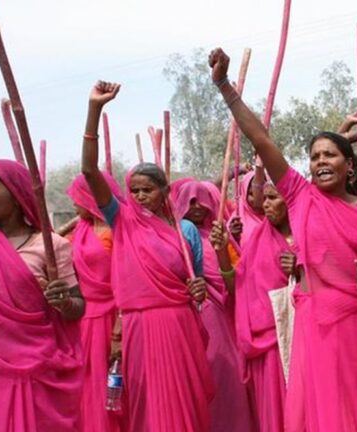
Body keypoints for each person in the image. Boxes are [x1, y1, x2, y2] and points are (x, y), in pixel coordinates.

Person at [210, 47, 357, 431]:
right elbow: (262, 141)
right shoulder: (299, 196)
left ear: (350, 165)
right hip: (314, 323)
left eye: (331, 155)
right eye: (315, 156)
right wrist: (224, 86)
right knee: (320, 413)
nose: (321, 162)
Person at [81, 81, 214, 432]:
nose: (140, 196)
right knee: (146, 404)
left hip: (179, 325)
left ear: (164, 192)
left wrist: (197, 290)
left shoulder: (182, 234)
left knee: (187, 401)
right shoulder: (121, 220)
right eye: (134, 190)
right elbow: (90, 172)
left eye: (148, 189)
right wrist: (95, 110)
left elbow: (194, 286)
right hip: (139, 327)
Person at [0, 159, 84, 431]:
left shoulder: (51, 246)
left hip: (36, 368)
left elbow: (79, 307)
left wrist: (63, 302)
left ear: (16, 194)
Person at [171, 179, 257, 432]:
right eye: (191, 201)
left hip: (224, 312)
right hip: (195, 310)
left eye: (202, 201)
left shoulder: (222, 236)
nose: (197, 207)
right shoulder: (176, 235)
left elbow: (240, 273)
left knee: (227, 375)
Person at [234, 182, 297, 432]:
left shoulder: (307, 234)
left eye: (273, 197)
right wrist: (220, 253)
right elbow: (239, 285)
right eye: (264, 199)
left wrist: (300, 267)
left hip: (303, 333)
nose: (266, 204)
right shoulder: (257, 239)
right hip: (268, 337)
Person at [66, 173, 125, 432]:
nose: (73, 204)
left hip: (115, 316)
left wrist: (119, 327)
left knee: (116, 383)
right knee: (89, 384)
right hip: (85, 319)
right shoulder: (79, 231)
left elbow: (127, 277)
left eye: (76, 198)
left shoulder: (117, 230)